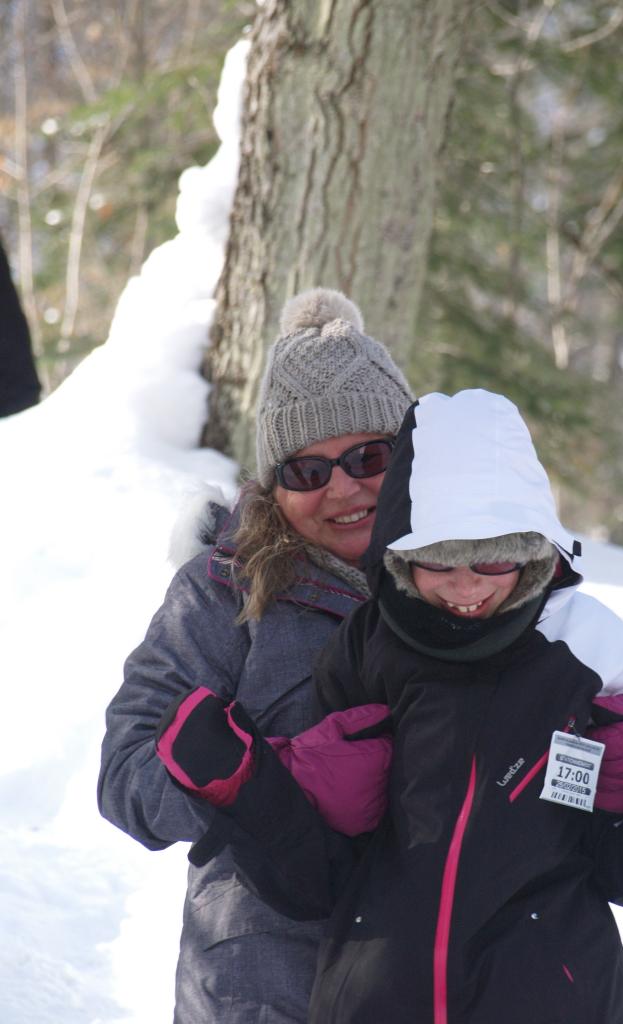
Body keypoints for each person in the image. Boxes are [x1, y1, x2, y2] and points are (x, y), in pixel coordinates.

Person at [154, 388, 623, 1024]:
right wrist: (243, 784)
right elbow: (319, 879)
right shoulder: (368, 651)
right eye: (437, 562)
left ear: (535, 548)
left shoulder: (585, 648)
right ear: (400, 555)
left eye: (494, 556)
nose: (467, 584)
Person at [97, 287, 413, 1023]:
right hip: (267, 986)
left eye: (370, 454)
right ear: (275, 486)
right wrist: (251, 778)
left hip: (437, 971)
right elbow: (126, 773)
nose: (344, 486)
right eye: (308, 470)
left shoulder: (478, 576)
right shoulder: (223, 594)